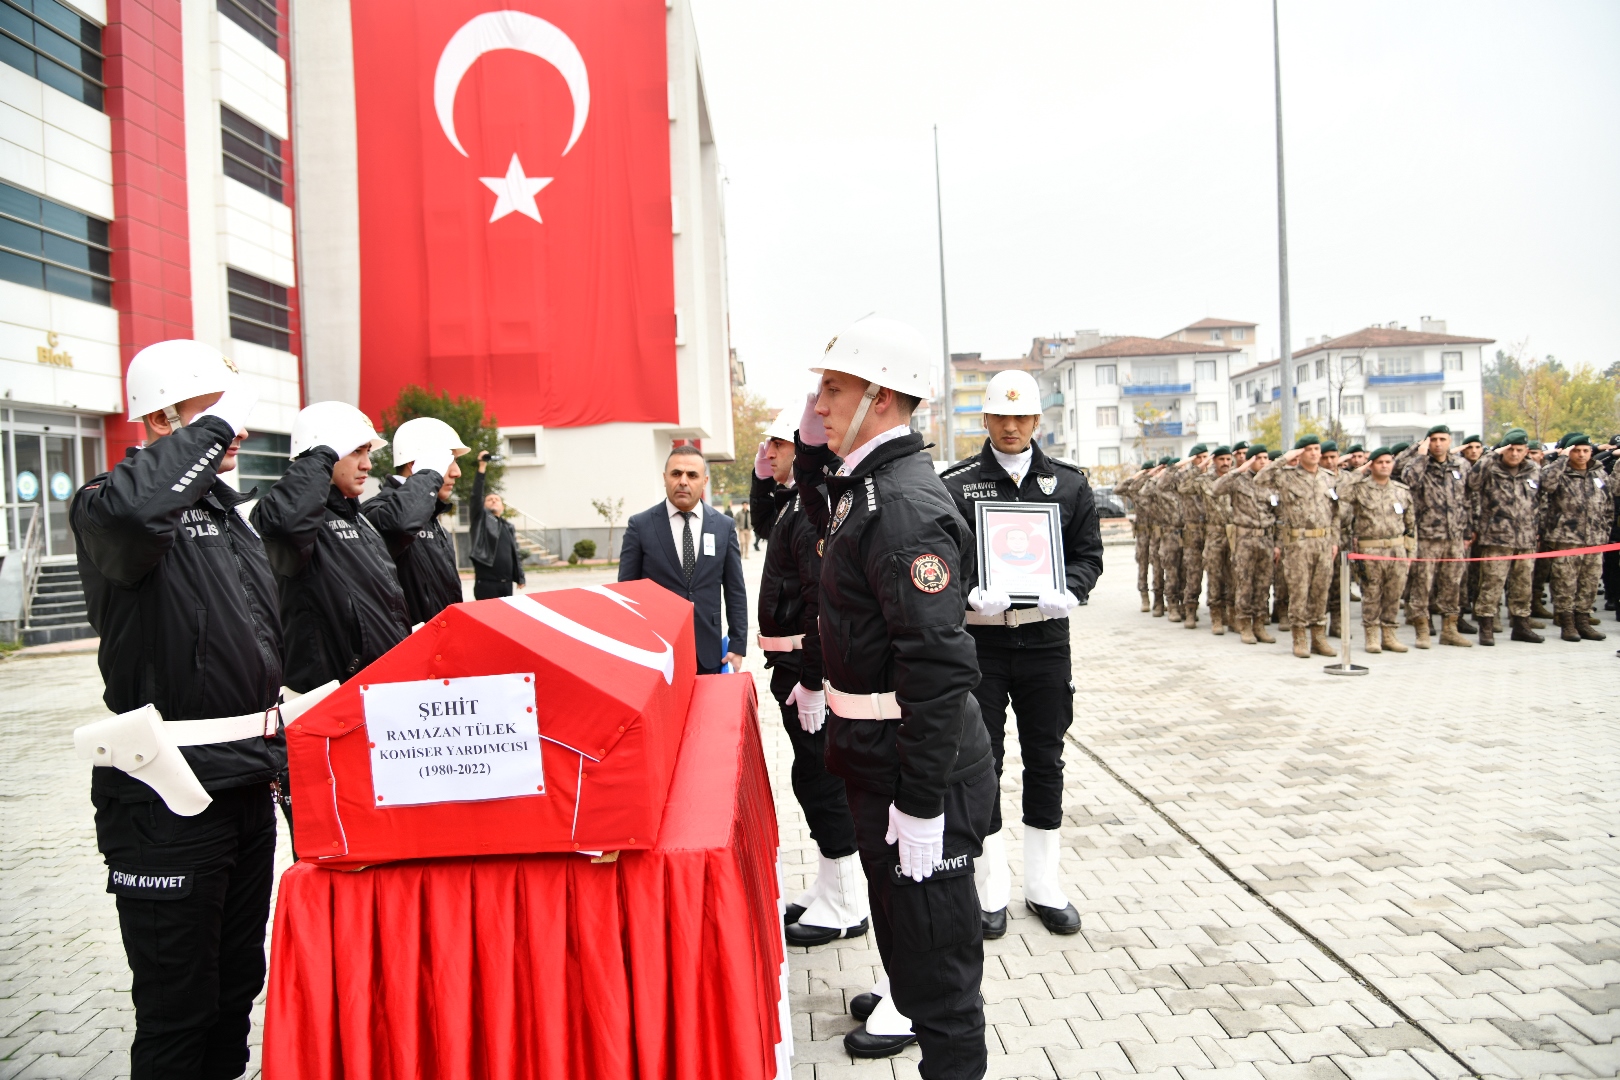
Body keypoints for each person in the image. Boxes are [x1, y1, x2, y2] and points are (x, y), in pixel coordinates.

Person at [70, 340, 284, 1079]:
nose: (238, 434)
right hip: (167, 798)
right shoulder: (107, 507)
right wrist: (214, 426)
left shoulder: (227, 516)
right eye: (214, 417)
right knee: (177, 1011)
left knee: (233, 994)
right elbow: (136, 515)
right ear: (161, 420)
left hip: (244, 784)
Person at [801, 314, 994, 1074]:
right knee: (913, 963)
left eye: (834, 389)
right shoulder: (869, 489)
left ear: (881, 399)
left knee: (942, 990)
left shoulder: (902, 506)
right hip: (880, 760)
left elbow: (938, 668)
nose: (817, 405)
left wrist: (920, 805)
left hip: (920, 774)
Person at [939, 368, 1102, 940]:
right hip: (981, 642)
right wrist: (969, 592)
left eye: (1021, 417)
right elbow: (943, 563)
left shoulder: (1070, 486)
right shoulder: (956, 487)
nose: (1010, 427)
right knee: (983, 764)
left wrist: (1071, 590)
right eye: (1000, 417)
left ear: (1036, 421)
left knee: (1046, 758)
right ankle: (990, 888)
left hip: (1045, 642)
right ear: (984, 419)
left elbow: (1088, 556)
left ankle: (1043, 885)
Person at [750, 412, 868, 946]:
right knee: (810, 777)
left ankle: (846, 902)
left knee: (824, 783)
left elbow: (823, 603)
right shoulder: (795, 501)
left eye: (776, 443)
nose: (767, 453)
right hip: (792, 666)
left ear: (801, 447)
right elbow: (761, 527)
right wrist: (760, 479)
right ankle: (828, 885)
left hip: (805, 666)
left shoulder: (813, 505)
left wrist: (817, 682)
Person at [252, 401, 411, 691]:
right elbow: (284, 524)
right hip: (331, 698)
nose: (367, 465)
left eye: (367, 452)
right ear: (322, 455)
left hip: (379, 690)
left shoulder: (360, 521)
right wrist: (319, 459)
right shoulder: (297, 521)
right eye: (355, 452)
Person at [618, 445, 747, 674]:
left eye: (692, 475)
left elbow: (735, 590)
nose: (683, 481)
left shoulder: (724, 527)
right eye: (676, 474)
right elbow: (626, 594)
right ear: (665, 478)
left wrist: (737, 645)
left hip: (709, 653)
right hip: (656, 655)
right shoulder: (640, 526)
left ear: (704, 480)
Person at [361, 417, 468, 626]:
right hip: (409, 651)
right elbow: (401, 523)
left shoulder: (434, 523)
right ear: (415, 466)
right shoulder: (377, 512)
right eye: (448, 462)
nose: (457, 472)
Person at [1256, 435, 1339, 658]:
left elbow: (1336, 513)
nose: (1314, 453)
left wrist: (1334, 541)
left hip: (1322, 542)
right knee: (1299, 591)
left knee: (1321, 591)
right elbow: (1260, 479)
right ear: (1300, 453)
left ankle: (1318, 637)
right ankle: (1299, 637)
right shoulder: (1286, 477)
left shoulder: (1329, 478)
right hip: (1298, 543)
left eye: (1316, 449)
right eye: (1308, 449)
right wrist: (1284, 459)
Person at [1398, 424, 1476, 648]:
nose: (1438, 444)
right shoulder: (1418, 465)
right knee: (1422, 585)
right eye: (1433, 439)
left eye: (1442, 439)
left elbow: (1468, 499)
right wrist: (1421, 457)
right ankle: (1422, 629)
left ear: (1450, 441)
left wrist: (1467, 530)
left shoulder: (1461, 465)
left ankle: (1449, 629)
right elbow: (1409, 482)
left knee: (1452, 583)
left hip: (1454, 535)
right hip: (1427, 536)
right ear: (1427, 443)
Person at [1466, 429, 1542, 645]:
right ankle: (1486, 626)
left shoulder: (1533, 470)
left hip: (1525, 538)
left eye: (1519, 450)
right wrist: (1491, 454)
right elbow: (1471, 481)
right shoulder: (1490, 467)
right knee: (1491, 583)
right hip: (1497, 538)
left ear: (1526, 451)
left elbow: (1539, 500)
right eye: (1511, 450)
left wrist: (1537, 528)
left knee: (1523, 584)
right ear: (1503, 450)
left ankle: (1521, 625)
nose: (1515, 454)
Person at [1535, 434, 1613, 642]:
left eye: (1585, 451)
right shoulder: (1559, 472)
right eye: (1576, 451)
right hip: (1566, 538)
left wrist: (1604, 531)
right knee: (1565, 583)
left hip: (1594, 539)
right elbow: (1546, 485)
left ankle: (1583, 621)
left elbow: (1608, 504)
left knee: (1590, 582)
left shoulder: (1599, 473)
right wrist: (1562, 459)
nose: (1581, 455)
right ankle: (1567, 623)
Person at [1339, 447, 1415, 653]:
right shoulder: (1360, 488)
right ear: (1371, 465)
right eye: (1379, 462)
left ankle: (1389, 634)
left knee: (1393, 595)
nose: (1384, 466)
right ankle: (1371, 635)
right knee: (1372, 594)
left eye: (1388, 462)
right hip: (1370, 549)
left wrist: (1410, 555)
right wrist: (1360, 471)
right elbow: (1340, 492)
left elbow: (1410, 526)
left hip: (1397, 550)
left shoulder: (1401, 491)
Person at [1214, 444, 1277, 644]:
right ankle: (1245, 625)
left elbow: (1280, 512)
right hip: (1245, 539)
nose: (1263, 461)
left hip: (1266, 538)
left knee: (1263, 584)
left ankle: (1259, 623)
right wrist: (1239, 470)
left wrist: (1279, 544)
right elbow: (1216, 489)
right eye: (1258, 458)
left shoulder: (1270, 482)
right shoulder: (1238, 480)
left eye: (1266, 458)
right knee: (1244, 583)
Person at [468, 451, 526, 598]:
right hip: (486, 584)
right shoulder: (480, 519)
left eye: (497, 499)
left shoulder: (508, 527)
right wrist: (482, 466)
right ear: (483, 505)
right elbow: (476, 495)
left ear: (503, 507)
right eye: (489, 499)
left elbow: (515, 554)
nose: (493, 500)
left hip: (506, 585)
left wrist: (520, 577)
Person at [1170, 444, 1212, 628]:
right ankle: (1190, 611)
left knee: (1220, 576)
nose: (1203, 462)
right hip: (1193, 534)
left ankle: (1221, 612)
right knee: (1192, 575)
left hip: (1213, 533)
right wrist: (1192, 465)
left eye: (1205, 457)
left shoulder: (1213, 479)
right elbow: (1169, 481)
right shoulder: (1187, 481)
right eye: (1199, 457)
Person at [1199, 447, 1236, 635]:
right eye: (1221, 459)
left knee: (1235, 577)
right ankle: (1216, 616)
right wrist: (1200, 466)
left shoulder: (1237, 479)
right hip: (1214, 533)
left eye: (1228, 459)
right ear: (1214, 461)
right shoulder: (1205, 480)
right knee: (1215, 575)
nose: (1226, 463)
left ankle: (1232, 615)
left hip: (1235, 534)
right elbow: (1182, 486)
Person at [1114, 462, 1157, 612]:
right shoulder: (1136, 489)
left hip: (1158, 532)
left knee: (1159, 566)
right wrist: (1138, 475)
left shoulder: (1157, 486)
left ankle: (1159, 600)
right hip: (1142, 533)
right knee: (1143, 565)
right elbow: (1118, 489)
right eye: (1149, 472)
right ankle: (1144, 598)